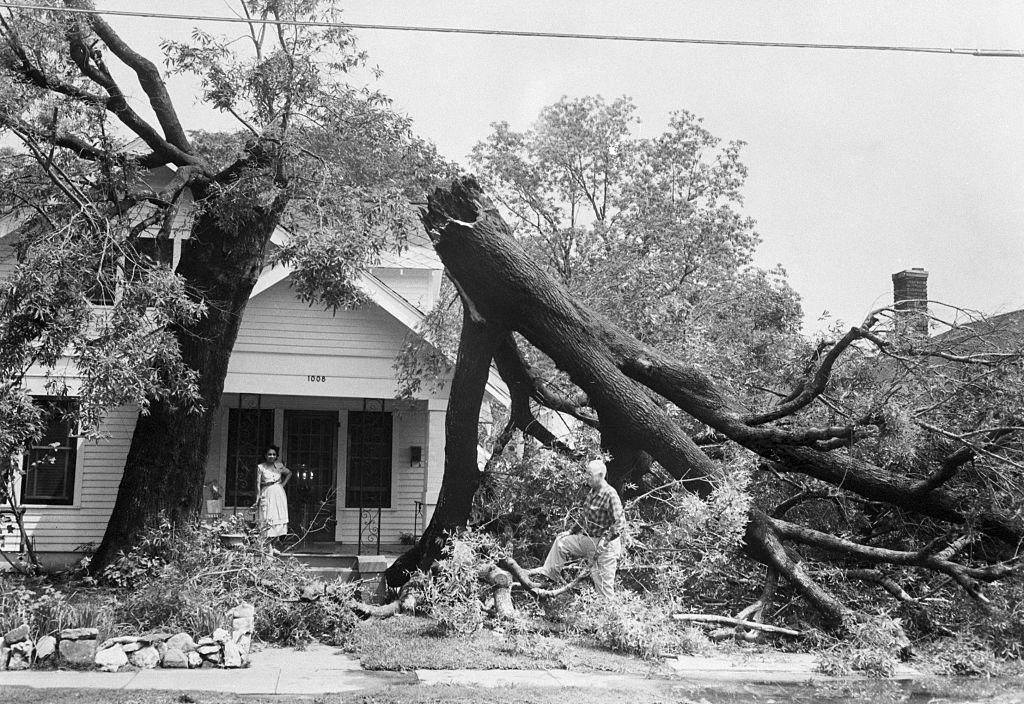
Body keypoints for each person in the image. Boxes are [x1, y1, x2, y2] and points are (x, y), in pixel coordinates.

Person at [529, 458, 626, 598]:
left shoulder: (610, 494)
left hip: (605, 547)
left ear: (600, 476)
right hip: (589, 540)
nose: (586, 477)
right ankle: (548, 578)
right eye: (586, 473)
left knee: (604, 589)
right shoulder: (592, 492)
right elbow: (583, 517)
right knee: (561, 542)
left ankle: (610, 617)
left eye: (590, 474)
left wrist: (604, 541)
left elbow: (620, 524)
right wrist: (570, 531)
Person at [255, 444, 292, 549]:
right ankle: (267, 546)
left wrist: (283, 484)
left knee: (278, 517)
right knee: (267, 516)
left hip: (278, 493)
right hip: (266, 491)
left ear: (276, 456)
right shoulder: (261, 467)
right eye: (269, 454)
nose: (271, 456)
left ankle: (275, 545)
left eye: (274, 454)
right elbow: (258, 483)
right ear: (265, 455)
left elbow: (289, 473)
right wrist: (258, 497)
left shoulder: (279, 466)